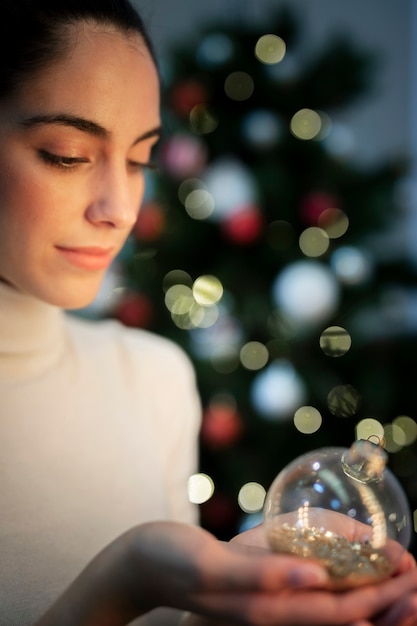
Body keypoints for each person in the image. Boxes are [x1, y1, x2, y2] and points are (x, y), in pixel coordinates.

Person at [1, 0, 417, 624]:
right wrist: (126, 579)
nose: (119, 208)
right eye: (67, 154)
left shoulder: (154, 378)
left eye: (140, 160)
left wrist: (231, 608)